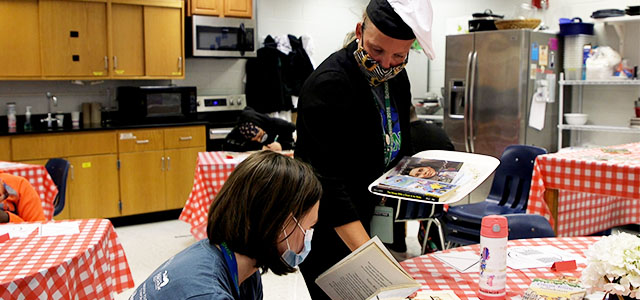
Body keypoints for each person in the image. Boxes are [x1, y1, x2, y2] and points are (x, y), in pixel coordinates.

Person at [294, 0, 435, 298]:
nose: (386, 64)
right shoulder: (329, 84)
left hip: (370, 216)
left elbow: (401, 146)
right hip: (328, 227)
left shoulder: (396, 78)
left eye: (399, 54)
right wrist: (375, 260)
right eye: (377, 50)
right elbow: (326, 182)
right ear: (360, 31)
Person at [129, 151, 322, 299]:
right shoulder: (208, 293)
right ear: (278, 224)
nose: (309, 236)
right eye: (309, 227)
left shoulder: (236, 266)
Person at [224, 107, 296, 152]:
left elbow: (298, 141)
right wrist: (259, 147)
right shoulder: (241, 129)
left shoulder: (279, 125)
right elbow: (227, 145)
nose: (259, 140)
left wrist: (282, 146)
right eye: (254, 139)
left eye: (260, 136)